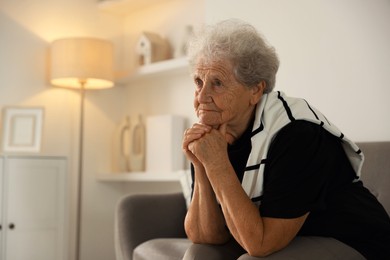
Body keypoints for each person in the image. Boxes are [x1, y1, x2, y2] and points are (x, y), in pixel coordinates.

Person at [182, 19, 390, 260]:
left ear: (255, 91)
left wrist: (217, 163)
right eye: (198, 82)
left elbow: (260, 244)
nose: (202, 96)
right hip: (289, 240)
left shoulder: (298, 134)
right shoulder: (212, 135)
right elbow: (204, 235)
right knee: (199, 254)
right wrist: (201, 163)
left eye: (217, 83)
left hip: (354, 241)